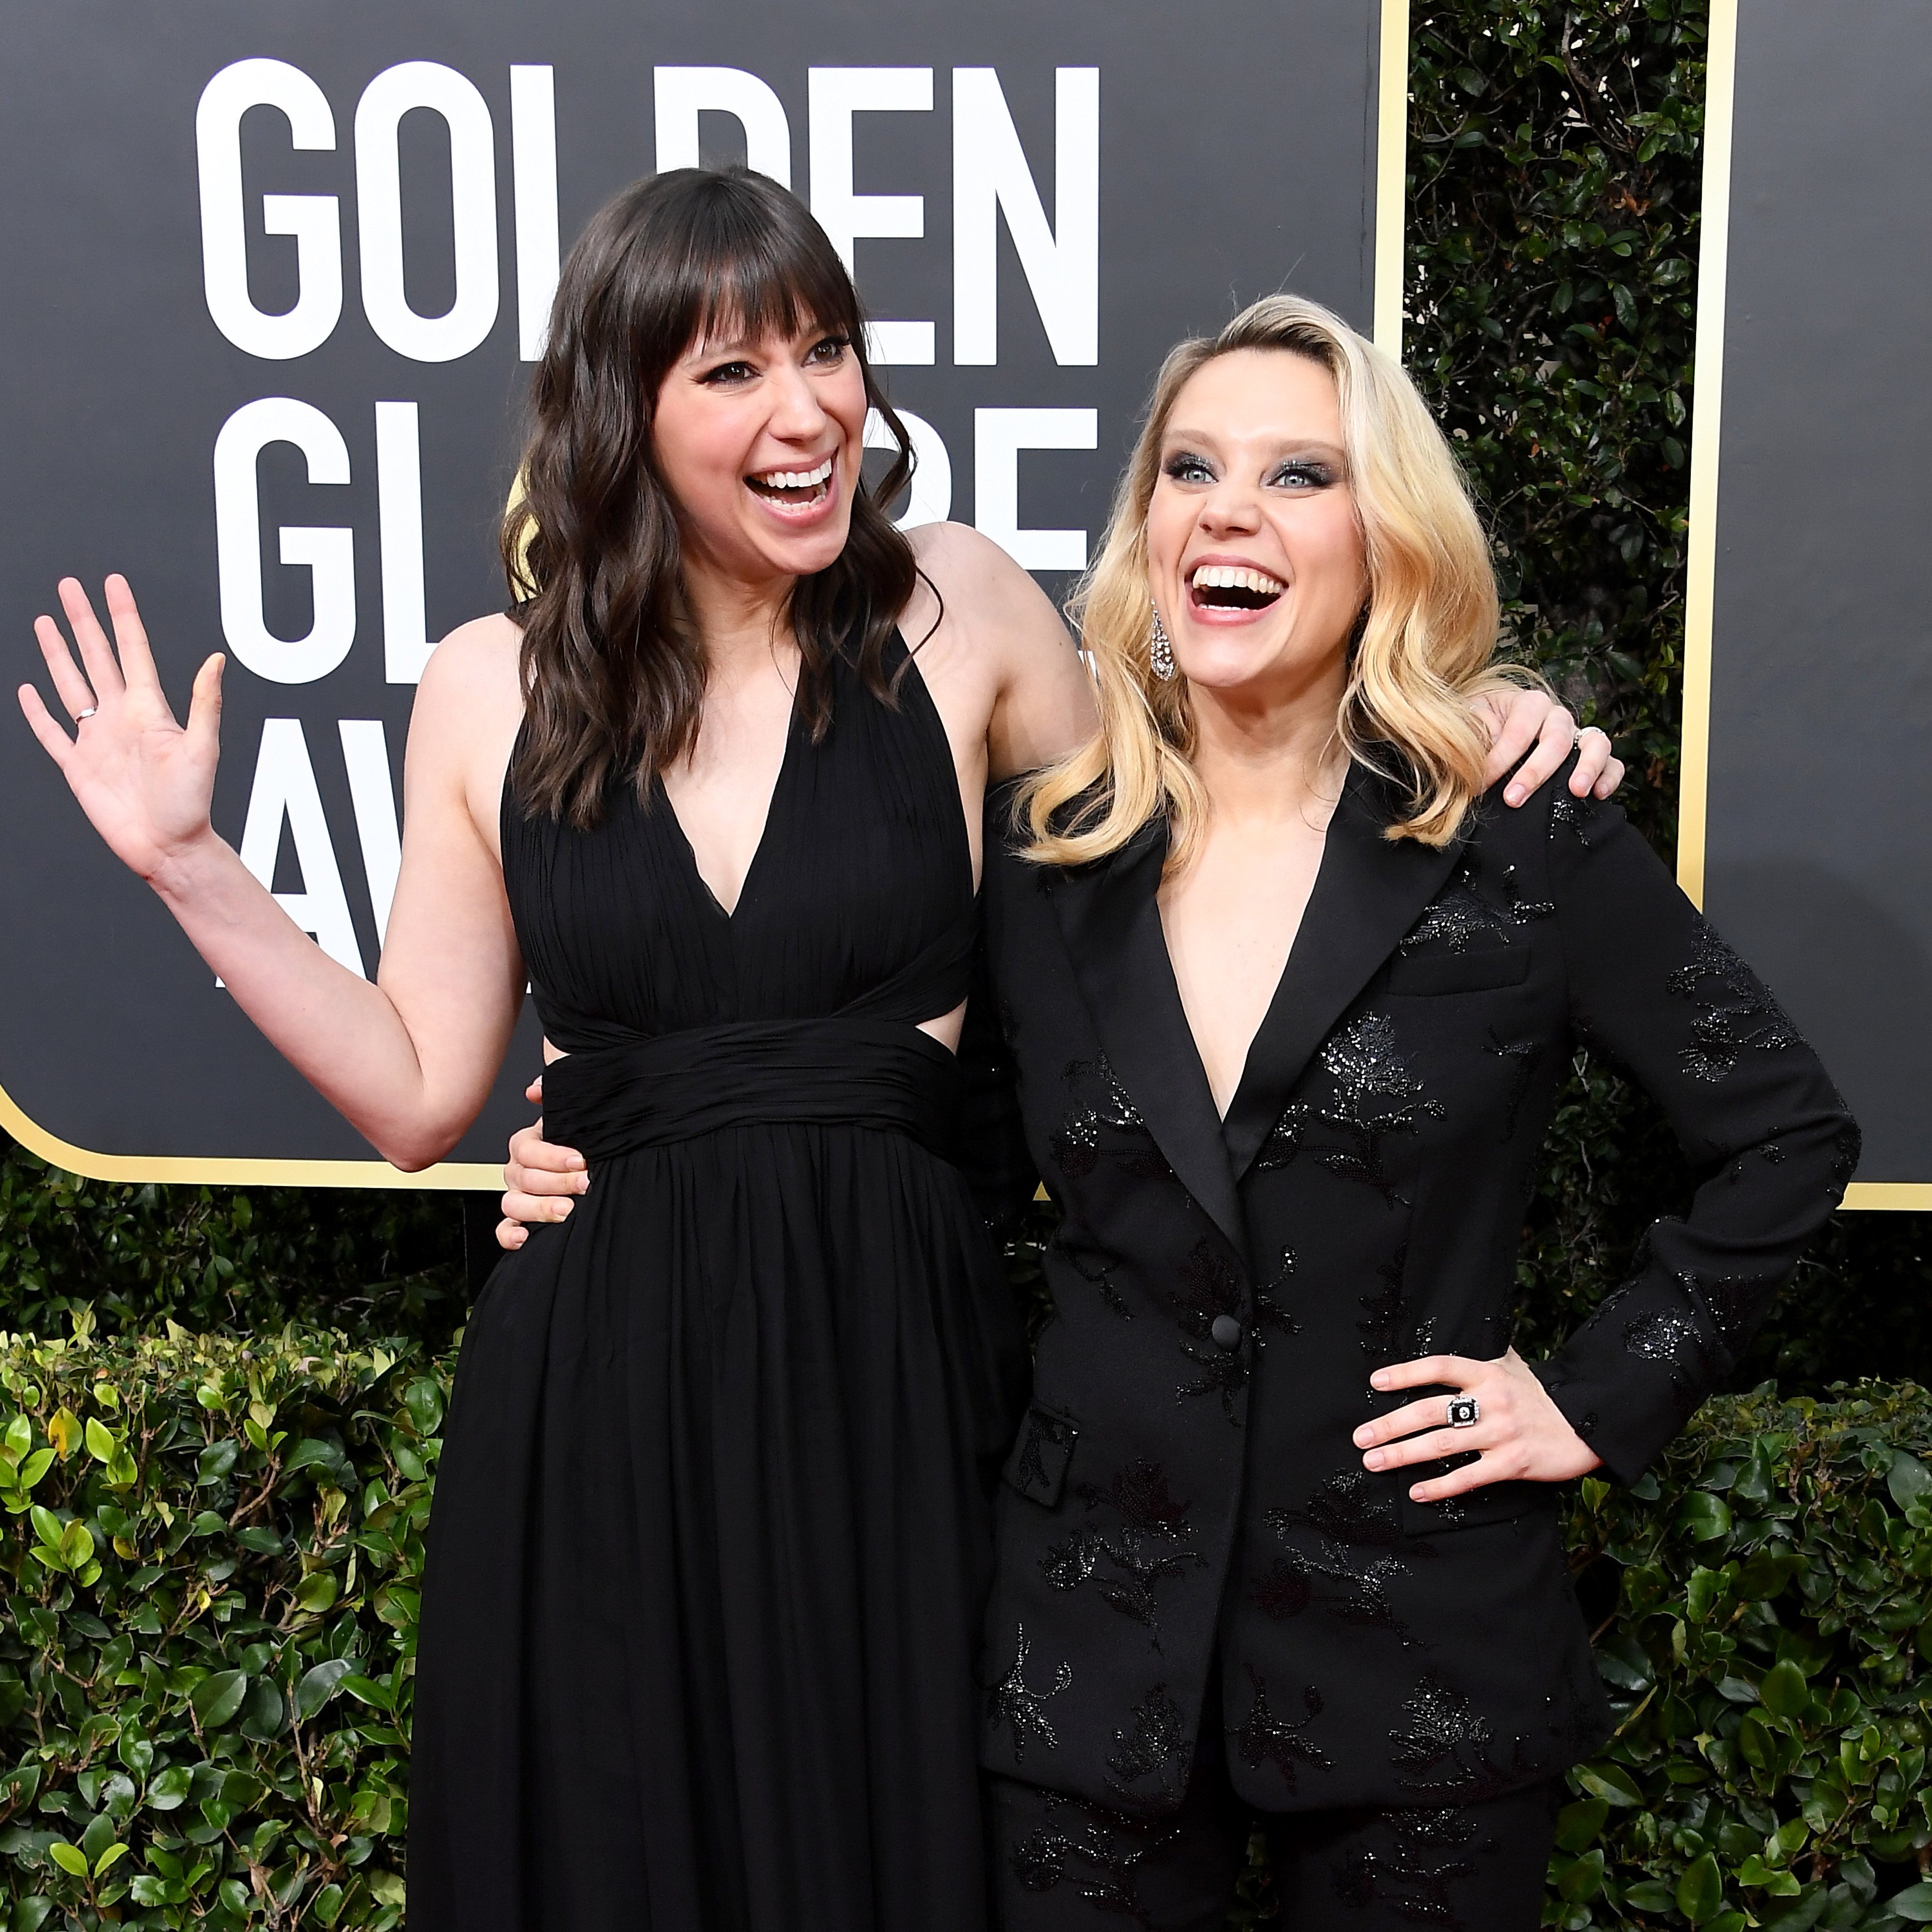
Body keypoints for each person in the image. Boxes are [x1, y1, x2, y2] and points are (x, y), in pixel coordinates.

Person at [21, 163, 1614, 1931]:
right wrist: (189, 865)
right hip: (603, 1386)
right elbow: (415, 1094)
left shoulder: (965, 608)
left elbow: (1213, 800)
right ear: (620, 410)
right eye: (733, 372)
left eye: (830, 351)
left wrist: (1457, 713)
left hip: (896, 1364)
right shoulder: (488, 684)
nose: (809, 413)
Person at [497, 293, 1856, 1932]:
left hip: (1420, 1660)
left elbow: (1785, 1133)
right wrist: (599, 1155)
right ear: (1149, 528)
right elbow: (897, 1127)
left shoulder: (1517, 838)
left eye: (1300, 475)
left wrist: (1588, 1399)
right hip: (1085, 1679)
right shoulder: (1053, 860)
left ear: (1388, 539)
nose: (1231, 509)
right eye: (1193, 468)